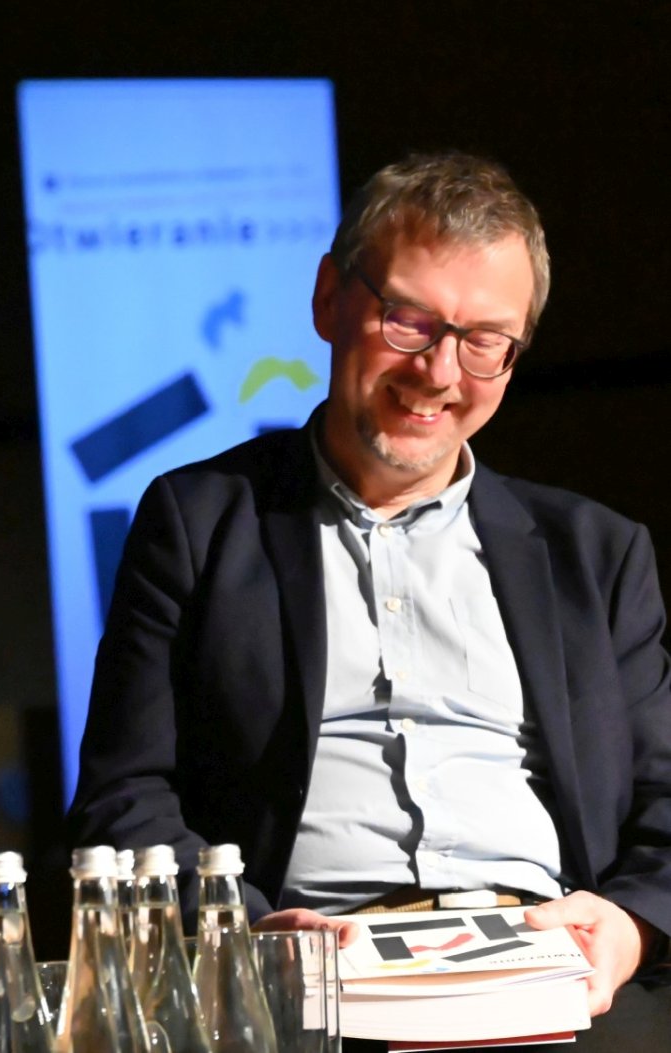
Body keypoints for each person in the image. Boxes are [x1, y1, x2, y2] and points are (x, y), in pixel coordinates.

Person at [67, 152, 671, 1043]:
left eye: (485, 340)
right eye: (409, 320)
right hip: (310, 980)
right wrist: (246, 933)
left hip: (553, 972)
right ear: (328, 299)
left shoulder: (598, 555)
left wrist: (629, 926)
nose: (439, 372)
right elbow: (125, 798)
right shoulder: (198, 522)